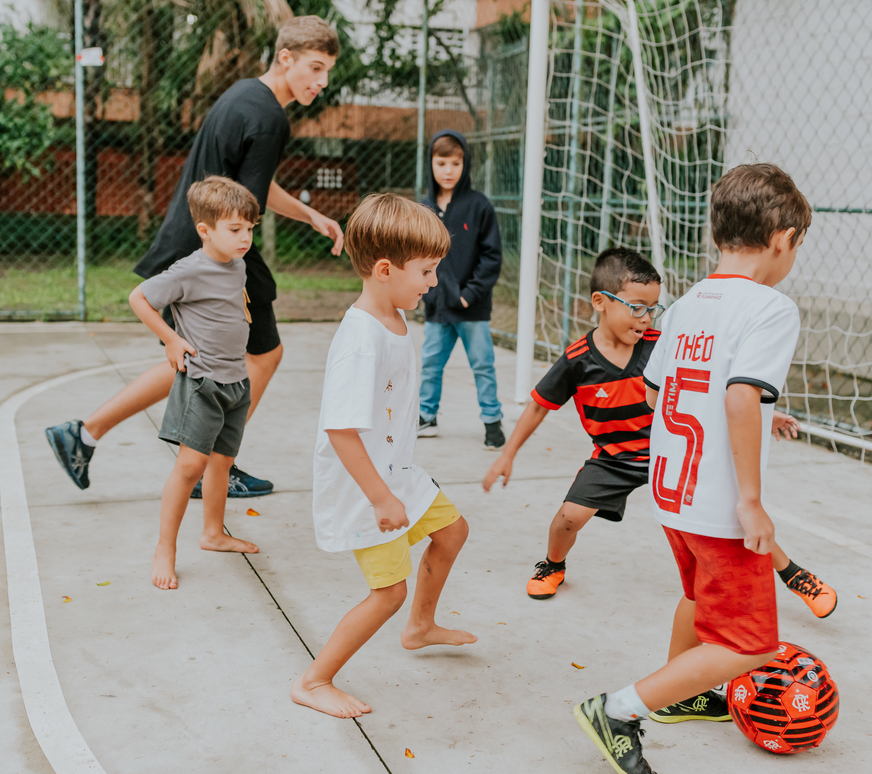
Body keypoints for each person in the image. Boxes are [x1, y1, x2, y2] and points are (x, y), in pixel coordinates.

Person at [572, 164, 813, 773]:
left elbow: (654, 393)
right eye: (798, 245)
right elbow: (738, 396)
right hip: (719, 508)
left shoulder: (684, 305)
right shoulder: (772, 307)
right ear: (783, 237)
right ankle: (620, 709)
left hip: (671, 495)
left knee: (696, 598)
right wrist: (752, 500)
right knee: (747, 641)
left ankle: (682, 697)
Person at [46, 16, 345, 499]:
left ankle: (83, 434)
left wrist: (310, 215)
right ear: (285, 58)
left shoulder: (244, 94)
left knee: (198, 359)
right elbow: (247, 205)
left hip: (197, 237)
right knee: (262, 355)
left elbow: (252, 185)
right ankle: (213, 469)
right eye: (315, 67)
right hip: (217, 250)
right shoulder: (270, 118)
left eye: (327, 70)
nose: (321, 81)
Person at [483, 247, 836, 621]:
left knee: (734, 517)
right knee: (568, 518)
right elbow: (539, 405)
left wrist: (768, 412)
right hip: (614, 459)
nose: (646, 318)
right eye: (637, 307)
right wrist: (508, 454)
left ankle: (794, 575)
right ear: (600, 302)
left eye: (653, 308)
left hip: (669, 453)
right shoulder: (578, 359)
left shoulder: (659, 342)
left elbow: (706, 388)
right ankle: (553, 564)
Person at [291, 194, 476, 719]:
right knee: (387, 591)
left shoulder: (393, 316)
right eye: (426, 271)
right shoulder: (361, 339)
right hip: (366, 485)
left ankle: (420, 627)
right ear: (385, 268)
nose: (433, 282)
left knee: (453, 531)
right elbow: (341, 430)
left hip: (397, 472)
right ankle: (313, 679)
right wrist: (380, 497)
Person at [127, 176, 261, 590]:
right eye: (235, 230)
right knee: (190, 466)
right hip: (203, 382)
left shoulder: (236, 264)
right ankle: (165, 548)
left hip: (236, 380)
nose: (245, 238)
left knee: (221, 462)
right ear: (205, 230)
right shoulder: (190, 269)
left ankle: (213, 533)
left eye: (250, 229)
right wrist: (171, 339)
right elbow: (139, 298)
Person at [416, 130, 505, 449]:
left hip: (472, 308)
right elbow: (415, 256)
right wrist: (428, 294)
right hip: (438, 308)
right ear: (431, 164)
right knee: (430, 365)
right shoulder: (423, 208)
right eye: (442, 163)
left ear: (465, 165)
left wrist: (470, 294)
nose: (449, 170)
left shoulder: (479, 205)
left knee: (483, 365)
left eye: (456, 163)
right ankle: (427, 416)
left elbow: (492, 256)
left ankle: (492, 423)